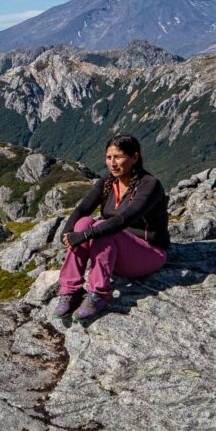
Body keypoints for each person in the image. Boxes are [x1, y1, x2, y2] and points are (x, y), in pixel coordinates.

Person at [51, 133, 171, 323]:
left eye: (119, 157)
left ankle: (98, 295)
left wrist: (85, 235)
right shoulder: (107, 183)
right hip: (117, 252)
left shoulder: (149, 185)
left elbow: (124, 219)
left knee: (102, 229)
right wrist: (68, 232)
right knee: (83, 223)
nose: (113, 163)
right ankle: (70, 291)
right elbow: (83, 209)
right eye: (109, 157)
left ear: (134, 157)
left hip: (149, 253)